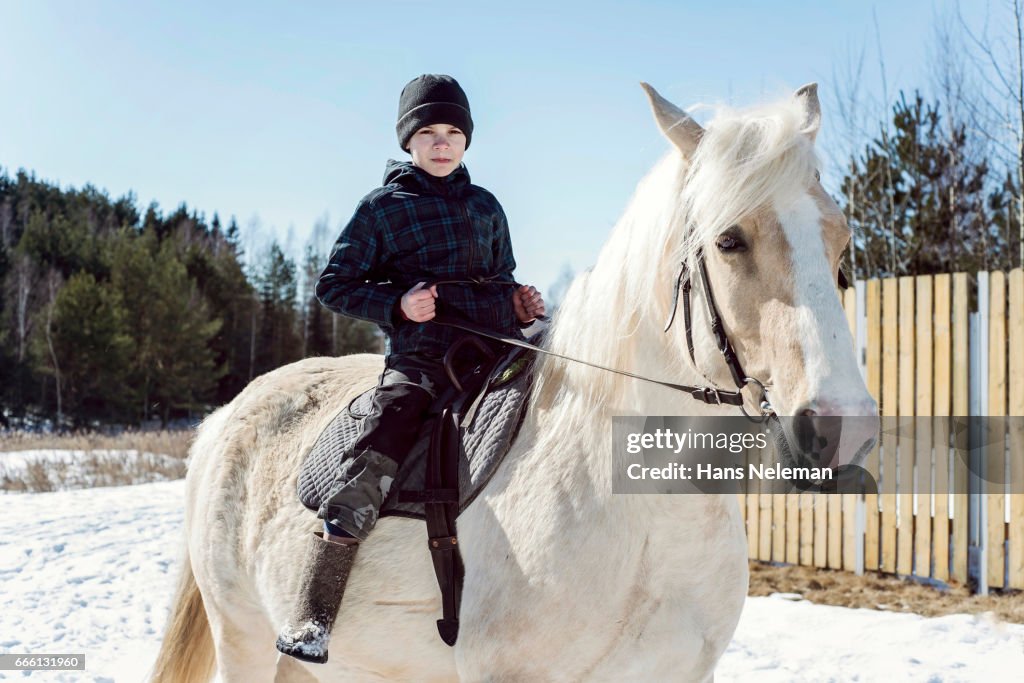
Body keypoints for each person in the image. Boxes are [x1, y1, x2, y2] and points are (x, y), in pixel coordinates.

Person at [275, 74, 545, 663]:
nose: (442, 143)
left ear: (467, 141)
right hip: (423, 356)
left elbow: (500, 278)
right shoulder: (381, 210)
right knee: (395, 415)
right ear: (408, 142)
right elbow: (333, 286)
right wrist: (397, 305)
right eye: (428, 133)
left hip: (496, 347)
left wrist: (519, 304)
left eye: (452, 132)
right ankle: (319, 595)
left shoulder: (486, 206)